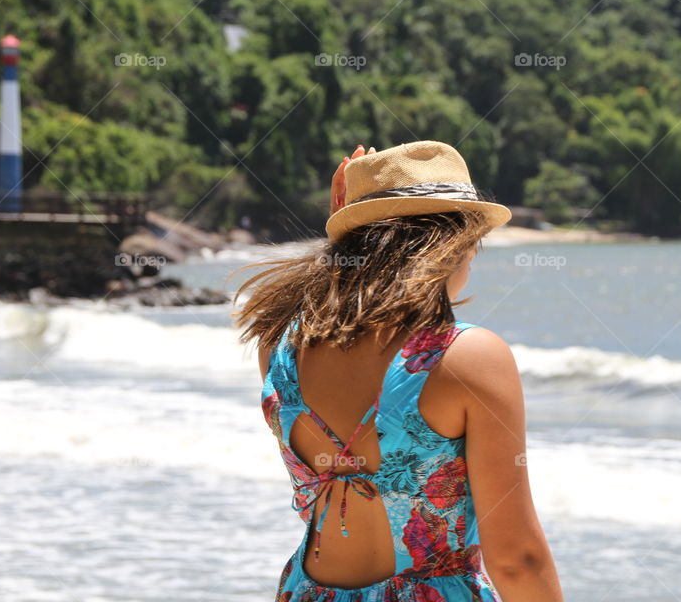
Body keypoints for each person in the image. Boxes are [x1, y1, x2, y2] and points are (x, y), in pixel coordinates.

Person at [234, 141, 564, 601]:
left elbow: (336, 303)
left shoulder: (280, 346)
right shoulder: (466, 356)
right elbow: (516, 558)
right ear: (458, 242)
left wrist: (342, 239)